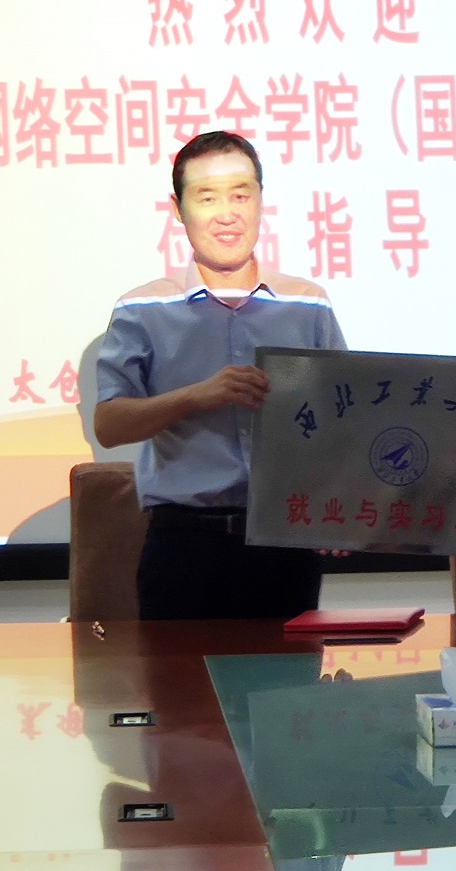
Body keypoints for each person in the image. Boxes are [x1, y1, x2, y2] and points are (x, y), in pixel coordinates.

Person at [94, 130, 346, 620]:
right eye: (207, 197)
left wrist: (337, 506)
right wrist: (195, 396)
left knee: (288, 673)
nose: (227, 213)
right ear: (178, 208)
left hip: (284, 543)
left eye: (241, 195)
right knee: (179, 675)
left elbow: (342, 420)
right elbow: (109, 425)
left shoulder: (307, 303)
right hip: (184, 544)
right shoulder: (143, 309)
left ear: (260, 202)